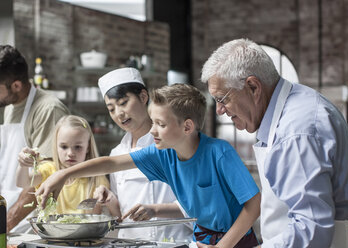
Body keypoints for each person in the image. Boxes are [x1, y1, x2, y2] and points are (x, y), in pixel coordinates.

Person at [36, 83, 261, 248]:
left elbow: (254, 203)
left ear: (187, 127)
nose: (152, 130)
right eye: (153, 122)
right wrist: (63, 175)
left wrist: (224, 247)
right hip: (200, 240)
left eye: (160, 124)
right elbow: (112, 162)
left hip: (238, 241)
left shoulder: (219, 153)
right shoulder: (162, 154)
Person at [200, 38, 348, 248]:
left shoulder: (296, 131)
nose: (219, 110)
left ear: (253, 87)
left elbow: (311, 231)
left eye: (222, 99)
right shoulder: (285, 109)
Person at [93, 67, 193, 241]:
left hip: (174, 242)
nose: (119, 113)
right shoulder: (117, 153)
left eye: (123, 102)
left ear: (143, 97)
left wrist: (155, 210)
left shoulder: (172, 144)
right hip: (131, 244)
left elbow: (195, 202)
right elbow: (120, 214)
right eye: (111, 109)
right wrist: (109, 199)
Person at [0, 45, 69, 232]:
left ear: (16, 85)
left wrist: (6, 224)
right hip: (7, 215)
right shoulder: (10, 106)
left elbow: (47, 178)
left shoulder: (48, 110)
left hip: (31, 225)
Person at [16, 115, 109, 214]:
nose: (70, 153)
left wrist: (103, 197)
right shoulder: (49, 170)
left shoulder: (97, 177)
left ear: (88, 148)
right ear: (56, 146)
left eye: (77, 147)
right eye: (64, 147)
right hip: (51, 228)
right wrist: (23, 165)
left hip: (87, 229)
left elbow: (106, 210)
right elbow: (22, 183)